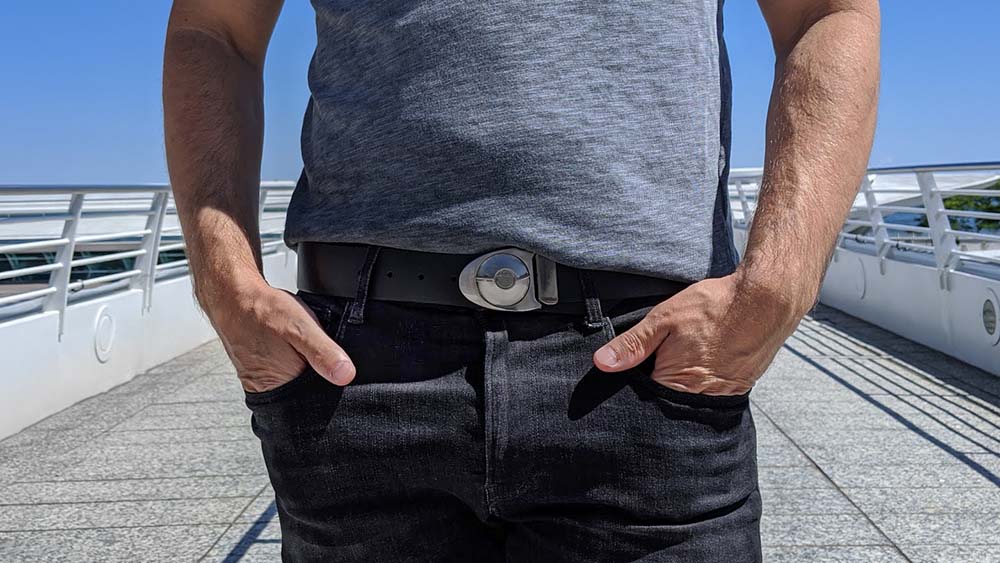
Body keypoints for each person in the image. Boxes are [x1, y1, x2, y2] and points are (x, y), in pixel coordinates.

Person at [163, 1, 880, 560]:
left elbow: (829, 12)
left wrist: (778, 282)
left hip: (646, 369)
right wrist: (225, 281)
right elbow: (214, 29)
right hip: (357, 371)